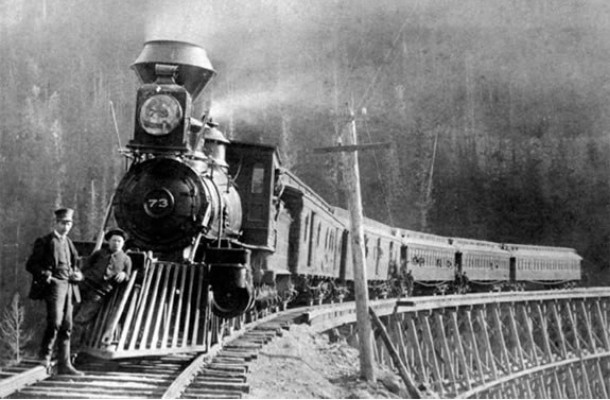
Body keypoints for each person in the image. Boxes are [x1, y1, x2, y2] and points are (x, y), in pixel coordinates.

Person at [25, 208, 84, 375]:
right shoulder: (44, 241)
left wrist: (78, 274)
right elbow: (31, 265)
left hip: (69, 287)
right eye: (63, 223)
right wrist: (46, 275)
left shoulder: (69, 243)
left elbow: (75, 265)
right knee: (55, 322)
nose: (66, 227)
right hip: (54, 286)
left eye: (69, 223)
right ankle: (45, 355)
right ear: (56, 223)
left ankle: (65, 363)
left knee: (67, 325)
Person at [73, 228, 132, 343]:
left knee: (81, 320)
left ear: (123, 243)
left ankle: (72, 351)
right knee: (69, 316)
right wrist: (80, 275)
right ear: (109, 242)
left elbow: (129, 276)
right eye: (114, 241)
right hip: (83, 287)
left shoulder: (126, 259)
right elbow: (85, 267)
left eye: (119, 241)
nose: (116, 243)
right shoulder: (99, 253)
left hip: (98, 293)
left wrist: (124, 274)